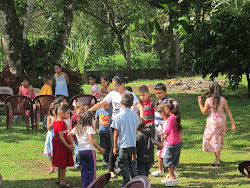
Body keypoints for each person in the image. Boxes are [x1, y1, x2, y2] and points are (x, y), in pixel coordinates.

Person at [88, 75, 144, 178]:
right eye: (113, 85)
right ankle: (111, 170)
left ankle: (128, 167)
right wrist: (89, 110)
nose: (115, 88)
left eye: (117, 85)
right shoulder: (113, 94)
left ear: (123, 85)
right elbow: (101, 103)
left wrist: (142, 118)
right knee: (114, 146)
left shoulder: (129, 94)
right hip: (115, 123)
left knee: (127, 146)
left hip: (127, 125)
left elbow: (139, 106)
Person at [198, 81, 236, 167]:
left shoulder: (209, 100)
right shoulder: (223, 99)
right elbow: (227, 110)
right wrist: (232, 122)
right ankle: (218, 158)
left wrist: (200, 102)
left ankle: (217, 160)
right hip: (222, 120)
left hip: (213, 121)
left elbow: (204, 112)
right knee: (219, 138)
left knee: (214, 140)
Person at [67, 111, 105, 188]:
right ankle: (92, 185)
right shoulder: (89, 128)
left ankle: (85, 186)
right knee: (92, 170)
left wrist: (71, 143)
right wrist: (100, 149)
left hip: (81, 151)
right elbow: (91, 140)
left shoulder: (76, 129)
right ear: (89, 120)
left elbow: (68, 135)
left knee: (84, 169)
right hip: (90, 151)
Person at [112, 93, 140, 186]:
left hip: (123, 146)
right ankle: (137, 181)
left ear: (121, 103)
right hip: (133, 144)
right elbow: (137, 129)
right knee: (132, 165)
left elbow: (116, 133)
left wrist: (115, 147)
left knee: (123, 166)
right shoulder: (135, 115)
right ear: (132, 104)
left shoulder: (117, 116)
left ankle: (126, 183)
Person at [160, 99, 183, 186]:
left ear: (167, 108)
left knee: (168, 160)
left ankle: (173, 178)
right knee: (173, 160)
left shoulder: (171, 118)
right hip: (178, 142)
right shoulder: (176, 117)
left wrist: (161, 142)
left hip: (172, 143)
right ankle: (171, 176)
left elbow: (167, 131)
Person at [52, 104, 74, 187]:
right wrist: (68, 145)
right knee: (63, 164)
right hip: (61, 145)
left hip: (57, 144)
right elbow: (61, 136)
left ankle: (59, 179)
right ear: (62, 113)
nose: (69, 115)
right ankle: (63, 182)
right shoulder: (62, 123)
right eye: (68, 113)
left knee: (60, 162)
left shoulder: (56, 121)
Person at [151, 103, 169, 177]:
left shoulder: (168, 121)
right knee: (160, 155)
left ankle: (173, 172)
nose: (160, 115)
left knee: (168, 156)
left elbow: (167, 132)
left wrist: (162, 138)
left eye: (161, 113)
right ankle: (160, 170)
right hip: (164, 140)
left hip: (166, 141)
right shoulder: (165, 121)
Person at [94, 98, 112, 166]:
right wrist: (95, 129)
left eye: (106, 105)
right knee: (103, 146)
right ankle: (105, 160)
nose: (105, 106)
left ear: (109, 104)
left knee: (110, 146)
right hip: (102, 132)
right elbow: (96, 120)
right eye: (103, 105)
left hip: (109, 132)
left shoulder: (111, 110)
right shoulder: (98, 111)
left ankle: (110, 159)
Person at [70, 101, 86, 169]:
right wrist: (72, 137)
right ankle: (77, 164)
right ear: (76, 108)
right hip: (76, 137)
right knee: (77, 152)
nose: (82, 111)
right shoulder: (74, 117)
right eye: (81, 109)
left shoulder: (84, 116)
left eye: (83, 110)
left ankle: (82, 163)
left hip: (83, 136)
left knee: (82, 151)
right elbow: (71, 126)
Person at [43, 102, 57, 174]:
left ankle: (58, 165)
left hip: (58, 135)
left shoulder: (59, 117)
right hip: (51, 135)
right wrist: (53, 122)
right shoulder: (49, 117)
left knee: (58, 151)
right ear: (52, 110)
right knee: (52, 152)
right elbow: (48, 128)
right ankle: (51, 166)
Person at [154, 83, 168, 151]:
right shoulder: (159, 102)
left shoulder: (166, 102)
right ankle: (159, 156)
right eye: (156, 93)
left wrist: (163, 127)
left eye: (159, 93)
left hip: (163, 127)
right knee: (158, 143)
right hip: (158, 127)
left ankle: (163, 156)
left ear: (165, 92)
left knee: (164, 143)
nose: (158, 95)